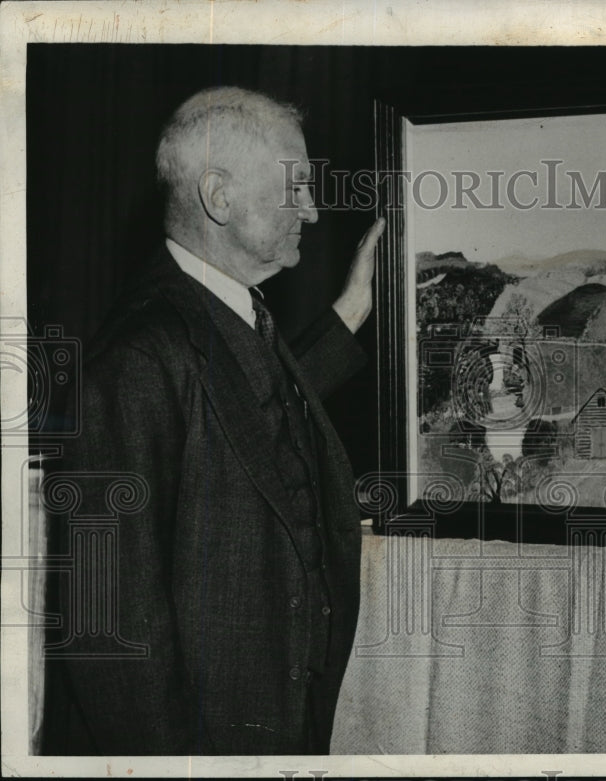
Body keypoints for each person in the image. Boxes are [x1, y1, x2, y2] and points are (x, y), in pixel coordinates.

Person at [42, 86, 384, 755]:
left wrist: (351, 309)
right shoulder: (138, 355)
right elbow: (106, 633)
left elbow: (243, 426)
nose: (312, 212)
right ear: (219, 198)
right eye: (296, 189)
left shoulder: (220, 314)